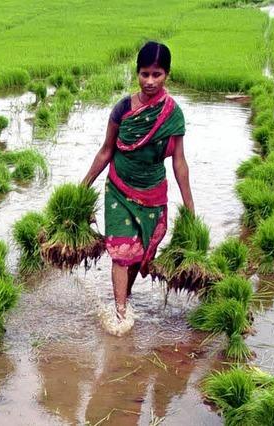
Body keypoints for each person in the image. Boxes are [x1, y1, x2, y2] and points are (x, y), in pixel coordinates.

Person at [82, 41, 194, 334]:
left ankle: (125, 297)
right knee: (121, 251)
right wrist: (82, 187)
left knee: (139, 253)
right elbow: (106, 150)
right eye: (144, 74)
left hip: (153, 192)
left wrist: (190, 209)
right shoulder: (122, 109)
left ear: (167, 74)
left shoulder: (173, 114)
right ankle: (120, 315)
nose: (150, 81)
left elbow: (179, 163)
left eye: (157, 74)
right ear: (137, 73)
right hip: (119, 187)